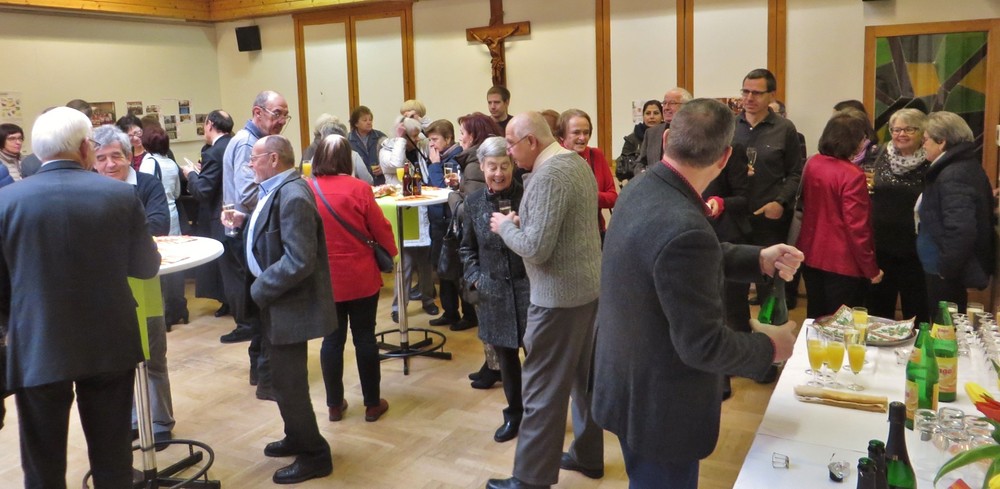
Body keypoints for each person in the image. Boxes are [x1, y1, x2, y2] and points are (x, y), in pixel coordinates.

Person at [592, 98, 800, 489]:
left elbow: (671, 258)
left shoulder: (643, 185)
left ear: (666, 138)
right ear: (725, 157)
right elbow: (703, 346)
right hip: (661, 406)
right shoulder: (684, 224)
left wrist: (757, 259)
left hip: (626, 381)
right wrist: (771, 347)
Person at [0, 107, 161, 487]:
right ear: (86, 148)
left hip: (38, 342)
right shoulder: (120, 196)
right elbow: (145, 267)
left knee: (42, 465)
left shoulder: (6, 201)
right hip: (109, 341)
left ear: (38, 151)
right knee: (113, 460)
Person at [486, 112, 604, 489]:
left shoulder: (548, 175)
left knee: (541, 388)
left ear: (532, 142)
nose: (508, 152)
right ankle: (588, 455)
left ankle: (530, 479)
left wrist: (506, 228)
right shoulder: (575, 162)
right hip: (587, 290)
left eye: (511, 144)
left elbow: (536, 250)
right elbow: (566, 228)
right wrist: (526, 225)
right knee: (584, 381)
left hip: (557, 300)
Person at [221, 135, 336, 484]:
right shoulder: (275, 188)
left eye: (254, 158)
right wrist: (244, 225)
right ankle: (296, 436)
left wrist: (260, 289)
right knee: (281, 380)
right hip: (277, 302)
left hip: (287, 303)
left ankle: (315, 454)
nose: (249, 164)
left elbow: (299, 260)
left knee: (290, 383)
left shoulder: (293, 195)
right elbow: (272, 235)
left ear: (273, 159)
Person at [93, 124, 176, 446]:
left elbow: (159, 224)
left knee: (154, 356)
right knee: (117, 359)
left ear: (129, 156)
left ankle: (160, 420)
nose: (109, 164)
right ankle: (130, 419)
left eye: (116, 156)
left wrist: (111, 239)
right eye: (101, 158)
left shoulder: (146, 184)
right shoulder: (89, 188)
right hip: (105, 287)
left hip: (146, 282)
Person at [309, 134, 397, 423]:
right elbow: (380, 228)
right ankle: (372, 404)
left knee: (331, 341)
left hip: (326, 278)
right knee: (365, 338)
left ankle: (334, 405)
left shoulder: (308, 188)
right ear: (346, 158)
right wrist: (391, 253)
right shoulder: (359, 188)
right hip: (360, 276)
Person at [458, 136, 528, 444]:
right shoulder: (473, 203)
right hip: (494, 292)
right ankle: (514, 414)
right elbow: (466, 248)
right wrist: (476, 277)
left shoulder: (527, 196)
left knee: (536, 359)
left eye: (504, 166)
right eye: (492, 167)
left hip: (528, 291)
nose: (498, 173)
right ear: (482, 167)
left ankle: (540, 415)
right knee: (507, 360)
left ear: (513, 165)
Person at [221, 90, 290, 400]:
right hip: (251, 234)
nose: (282, 120)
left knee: (263, 310)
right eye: (277, 113)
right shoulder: (249, 145)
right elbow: (249, 194)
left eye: (285, 115)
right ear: (257, 112)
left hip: (250, 231)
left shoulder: (254, 141)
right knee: (265, 310)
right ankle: (266, 377)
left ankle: (261, 373)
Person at [734, 69, 803, 356]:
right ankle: (739, 351)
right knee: (733, 289)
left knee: (770, 290)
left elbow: (796, 173)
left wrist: (781, 202)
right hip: (734, 218)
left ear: (771, 95)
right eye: (745, 91)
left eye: (756, 93)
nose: (749, 98)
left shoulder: (784, 128)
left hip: (769, 219)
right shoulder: (730, 126)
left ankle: (770, 353)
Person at [796, 113, 883, 318]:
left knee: (815, 316)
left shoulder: (814, 163)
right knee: (842, 324)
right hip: (842, 261)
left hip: (811, 252)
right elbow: (857, 227)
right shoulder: (852, 174)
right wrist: (870, 268)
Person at [917, 111, 995, 314]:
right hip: (941, 266)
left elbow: (961, 229)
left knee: (945, 327)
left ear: (942, 141)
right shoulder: (957, 166)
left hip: (945, 270)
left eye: (925, 140)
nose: (923, 145)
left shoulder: (953, 173)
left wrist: (947, 269)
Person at [449, 112, 503, 386]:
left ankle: (496, 366)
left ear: (474, 135)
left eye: (462, 133)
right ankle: (492, 363)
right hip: (488, 244)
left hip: (484, 248)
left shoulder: (474, 165)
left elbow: (468, 211)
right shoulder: (477, 160)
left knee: (487, 310)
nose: (460, 138)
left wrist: (452, 196)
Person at [864, 108, 930, 323]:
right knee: (878, 308)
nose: (901, 134)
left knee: (916, 308)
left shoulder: (930, 161)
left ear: (922, 132)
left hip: (915, 247)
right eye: (896, 129)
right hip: (881, 243)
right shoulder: (880, 154)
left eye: (909, 129)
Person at [379, 117, 440, 321]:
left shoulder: (421, 145)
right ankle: (399, 306)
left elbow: (435, 139)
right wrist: (400, 140)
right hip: (404, 213)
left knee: (425, 263)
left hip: (423, 209)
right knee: (405, 264)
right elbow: (396, 165)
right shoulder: (387, 149)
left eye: (418, 134)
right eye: (413, 135)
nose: (418, 138)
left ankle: (428, 300)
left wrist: (421, 123)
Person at [180, 110, 233, 315]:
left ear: (209, 124)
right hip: (235, 212)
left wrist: (191, 175)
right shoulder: (233, 145)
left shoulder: (212, 152)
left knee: (223, 265)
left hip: (218, 215)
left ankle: (230, 303)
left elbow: (203, 191)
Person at [425, 119, 476, 330]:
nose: (431, 144)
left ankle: (469, 315)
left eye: (435, 139)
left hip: (452, 222)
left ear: (448, 138)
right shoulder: (441, 157)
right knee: (443, 270)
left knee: (458, 272)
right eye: (429, 140)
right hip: (439, 223)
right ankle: (450, 312)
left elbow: (443, 189)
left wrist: (434, 165)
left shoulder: (454, 160)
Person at [140, 125, 187, 327]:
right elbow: (177, 193)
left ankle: (165, 312)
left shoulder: (148, 162)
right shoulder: (171, 163)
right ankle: (179, 307)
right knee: (176, 262)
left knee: (161, 261)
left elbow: (143, 191)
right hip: (173, 214)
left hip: (156, 214)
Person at [555, 109, 617, 240]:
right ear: (562, 135)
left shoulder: (596, 155)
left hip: (594, 234)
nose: (582, 138)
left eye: (586, 132)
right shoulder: (554, 160)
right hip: (565, 237)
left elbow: (613, 198)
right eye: (576, 132)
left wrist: (588, 195)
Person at [634, 87, 692, 173]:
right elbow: (640, 163)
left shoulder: (697, 132)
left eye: (672, 103)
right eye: (664, 103)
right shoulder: (651, 133)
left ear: (687, 107)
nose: (666, 108)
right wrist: (645, 174)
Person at [304, 116, 373, 185]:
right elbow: (368, 181)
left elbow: (310, 178)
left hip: (322, 190)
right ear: (344, 138)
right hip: (348, 189)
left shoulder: (317, 156)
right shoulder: (353, 155)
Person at [616, 100, 662, 181]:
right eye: (648, 113)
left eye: (656, 113)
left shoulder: (669, 135)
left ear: (662, 116)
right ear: (643, 116)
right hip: (637, 181)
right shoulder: (631, 139)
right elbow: (623, 167)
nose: (652, 117)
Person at [348, 105, 387, 185]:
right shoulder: (348, 140)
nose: (369, 122)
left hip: (380, 183)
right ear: (356, 123)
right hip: (358, 184)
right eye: (365, 120)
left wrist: (384, 168)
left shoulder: (380, 137)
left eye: (370, 120)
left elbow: (391, 159)